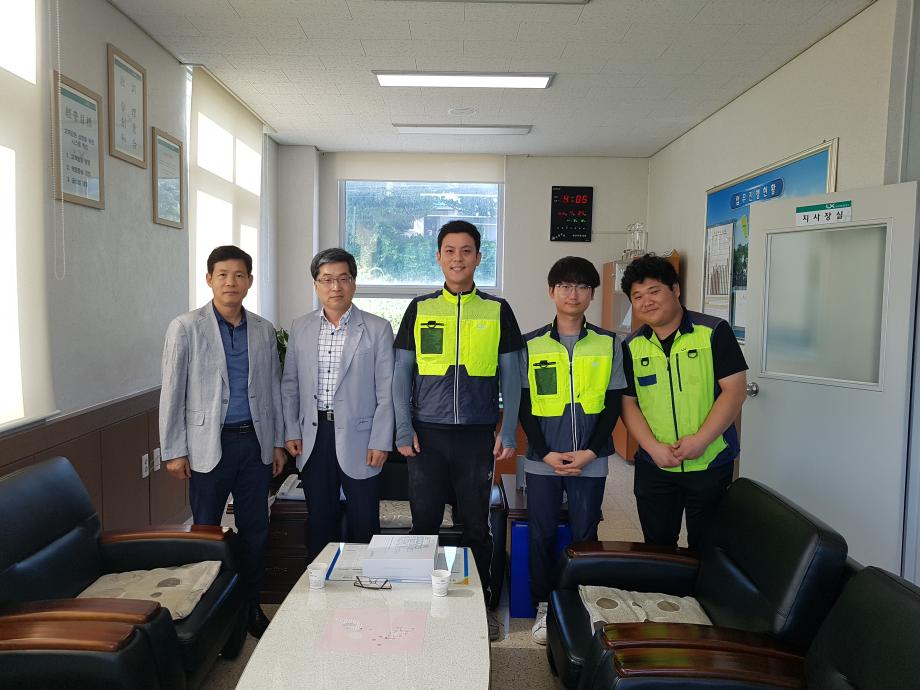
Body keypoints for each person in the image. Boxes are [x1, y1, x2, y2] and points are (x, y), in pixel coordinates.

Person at [392, 220, 523, 642]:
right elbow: (401, 373)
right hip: (427, 435)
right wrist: (403, 427)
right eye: (450, 251)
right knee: (424, 523)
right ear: (438, 257)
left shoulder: (497, 310)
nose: (458, 258)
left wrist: (507, 431)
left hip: (476, 435)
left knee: (476, 526)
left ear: (479, 258)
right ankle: (421, 604)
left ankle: (479, 607)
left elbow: (512, 375)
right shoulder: (420, 308)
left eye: (466, 251)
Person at [159, 245, 286, 639]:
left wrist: (277, 443)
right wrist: (174, 450)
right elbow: (172, 390)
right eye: (223, 275)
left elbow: (273, 389)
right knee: (206, 532)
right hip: (206, 446)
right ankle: (207, 614)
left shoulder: (263, 329)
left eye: (239, 275)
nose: (231, 282)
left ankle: (250, 606)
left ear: (249, 281)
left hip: (254, 444)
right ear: (209, 279)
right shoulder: (186, 327)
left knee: (255, 529)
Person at [518, 256, 626, 645]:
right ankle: (544, 606)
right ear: (552, 292)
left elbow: (613, 403)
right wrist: (545, 452)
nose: (573, 294)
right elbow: (524, 405)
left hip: (590, 460)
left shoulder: (609, 343)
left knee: (585, 533)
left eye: (582, 286)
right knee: (542, 534)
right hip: (543, 459)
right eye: (565, 286)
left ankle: (584, 604)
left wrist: (591, 452)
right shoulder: (530, 344)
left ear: (592, 294)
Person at [620, 254, 747, 550]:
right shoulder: (631, 346)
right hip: (655, 464)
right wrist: (652, 447)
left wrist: (701, 440)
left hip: (710, 460)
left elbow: (735, 391)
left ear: (675, 289)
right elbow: (628, 403)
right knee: (657, 547)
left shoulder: (713, 332)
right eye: (637, 296)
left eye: (654, 291)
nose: (646, 302)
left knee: (709, 547)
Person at [281, 248, 394, 560]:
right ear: (316, 284)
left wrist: (380, 440)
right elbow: (290, 385)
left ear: (354, 283)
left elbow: (386, 391)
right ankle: (321, 585)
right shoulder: (301, 327)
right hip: (314, 436)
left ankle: (366, 584)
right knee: (320, 521)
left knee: (364, 522)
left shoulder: (377, 328)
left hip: (362, 439)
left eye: (343, 279)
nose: (335, 287)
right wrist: (291, 430)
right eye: (327, 279)